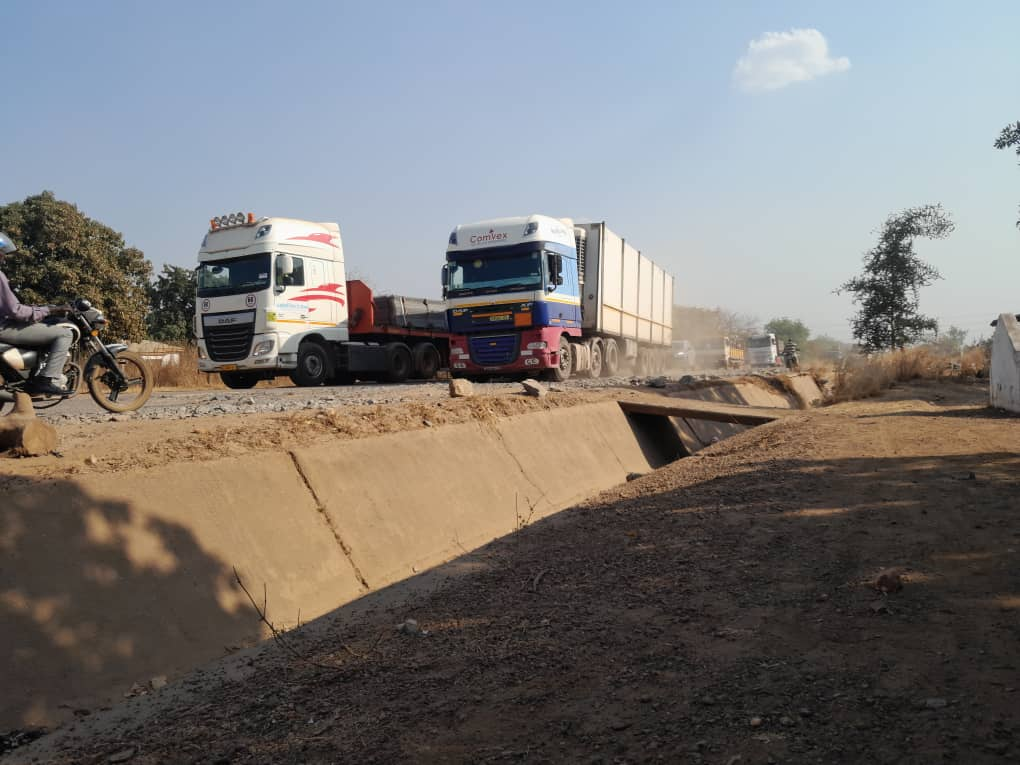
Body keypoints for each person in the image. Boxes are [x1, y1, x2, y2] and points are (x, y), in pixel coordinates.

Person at [0, 231, 74, 397]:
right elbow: (15, 311)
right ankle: (46, 380)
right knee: (64, 334)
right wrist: (49, 310)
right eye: (2, 254)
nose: (4, 258)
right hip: (4, 328)